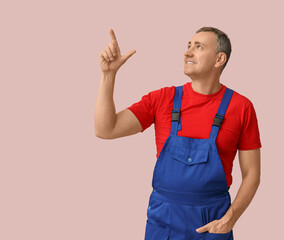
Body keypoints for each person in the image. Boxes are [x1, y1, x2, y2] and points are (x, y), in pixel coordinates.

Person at [95, 27, 262, 240]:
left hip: (212, 221)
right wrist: (108, 75)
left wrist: (230, 218)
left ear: (219, 59)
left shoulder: (241, 107)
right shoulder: (162, 99)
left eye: (198, 47)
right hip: (164, 218)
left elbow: (252, 174)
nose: (188, 52)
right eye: (188, 45)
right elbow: (105, 129)